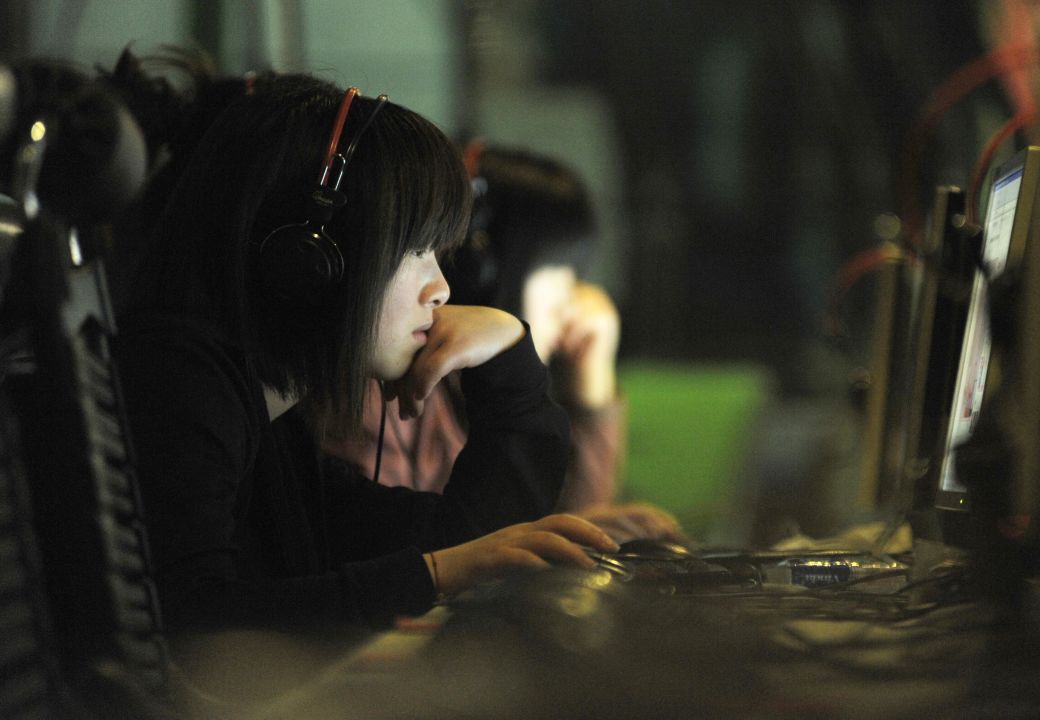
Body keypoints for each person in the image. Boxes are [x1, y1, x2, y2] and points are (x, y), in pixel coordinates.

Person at [111, 71, 619, 670]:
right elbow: (196, 630)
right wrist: (434, 575)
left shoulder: (272, 431)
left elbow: (477, 536)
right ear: (311, 260)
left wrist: (510, 361)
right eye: (416, 250)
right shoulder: (179, 383)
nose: (442, 287)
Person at [322, 142, 683, 542]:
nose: (575, 301)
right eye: (557, 271)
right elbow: (401, 564)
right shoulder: (382, 393)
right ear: (481, 272)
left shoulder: (494, 398)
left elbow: (572, 554)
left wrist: (591, 383)